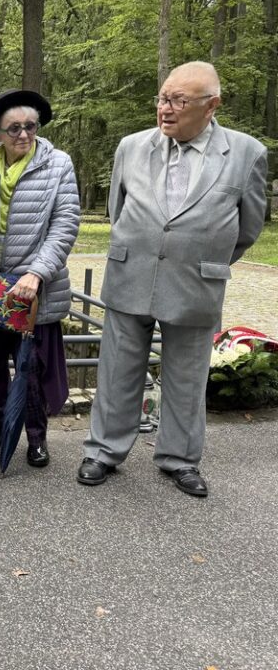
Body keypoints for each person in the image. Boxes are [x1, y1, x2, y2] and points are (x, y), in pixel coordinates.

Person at [78, 61, 268, 497]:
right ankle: (103, 451)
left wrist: (204, 258)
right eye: (163, 98)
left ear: (212, 105)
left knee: (187, 378)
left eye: (179, 101)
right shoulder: (130, 146)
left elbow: (248, 228)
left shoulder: (246, 153)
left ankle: (180, 460)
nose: (165, 108)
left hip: (196, 282)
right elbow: (118, 211)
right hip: (131, 272)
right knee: (117, 371)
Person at [0, 90, 79, 469]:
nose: (24, 134)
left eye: (30, 126)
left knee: (32, 368)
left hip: (30, 288)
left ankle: (36, 437)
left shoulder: (58, 164)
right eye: (13, 128)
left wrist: (37, 273)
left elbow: (65, 225)